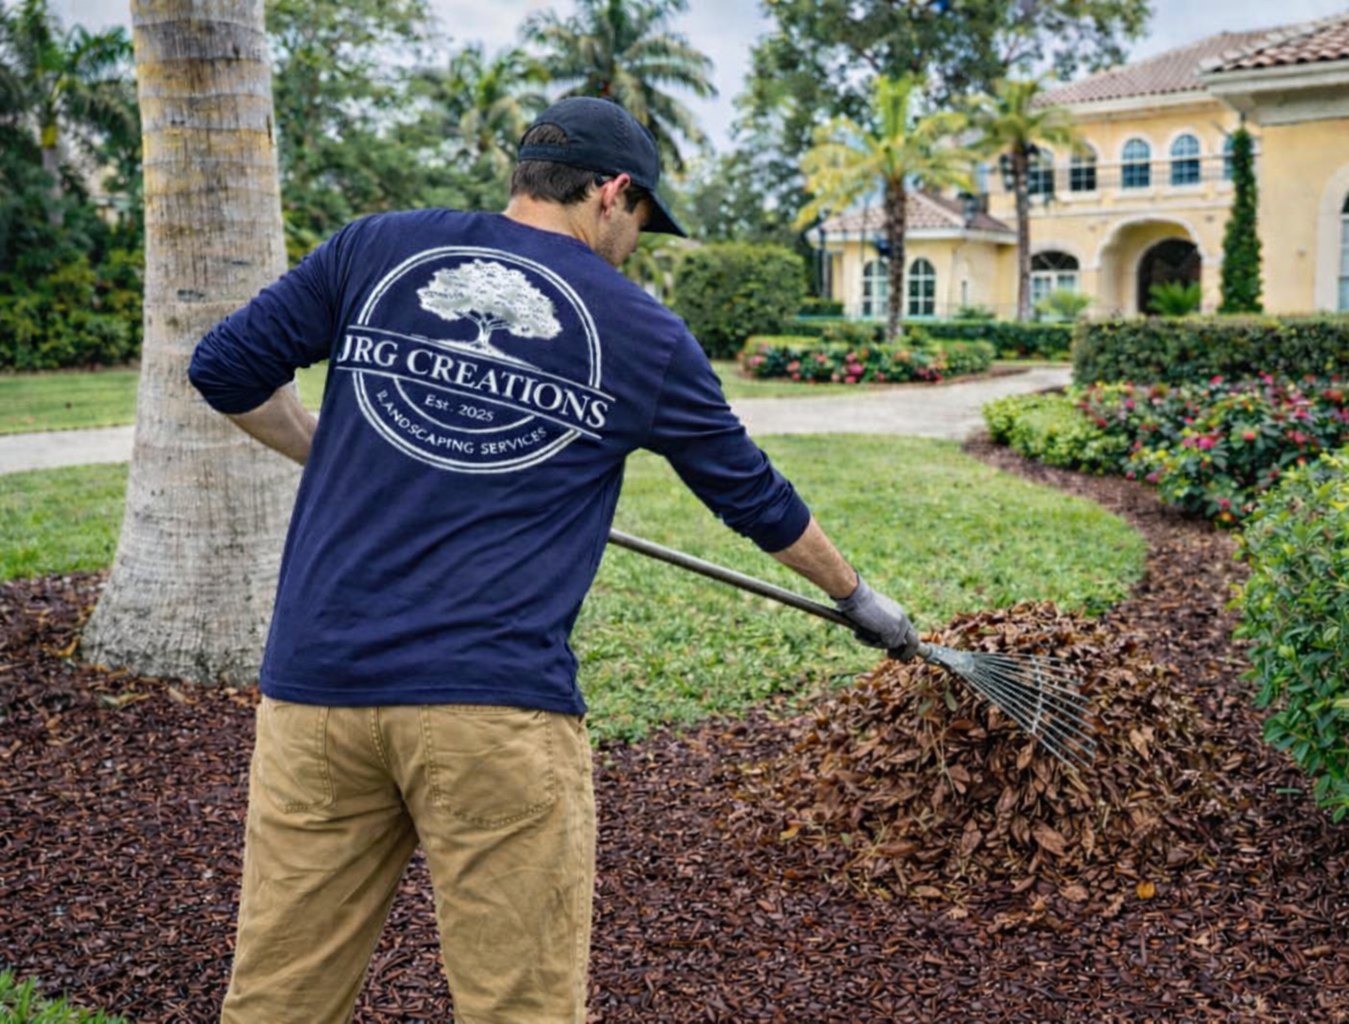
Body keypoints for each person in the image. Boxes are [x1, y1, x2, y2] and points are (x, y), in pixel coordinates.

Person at [187, 96, 920, 1024]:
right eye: (644, 217)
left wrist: (325, 443)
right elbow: (754, 497)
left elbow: (225, 368)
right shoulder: (644, 332)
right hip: (494, 716)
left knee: (279, 996)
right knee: (518, 1005)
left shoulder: (375, 248)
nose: (638, 240)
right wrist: (857, 597)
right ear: (613, 192)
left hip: (316, 697)